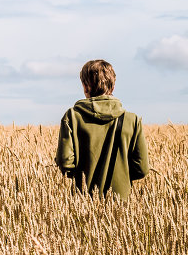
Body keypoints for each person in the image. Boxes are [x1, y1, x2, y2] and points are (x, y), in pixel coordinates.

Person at [55, 59, 148, 201]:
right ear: (113, 86)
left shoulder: (72, 117)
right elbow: (142, 169)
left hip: (83, 202)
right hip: (122, 203)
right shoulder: (132, 120)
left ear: (85, 86)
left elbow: (65, 163)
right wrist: (121, 176)